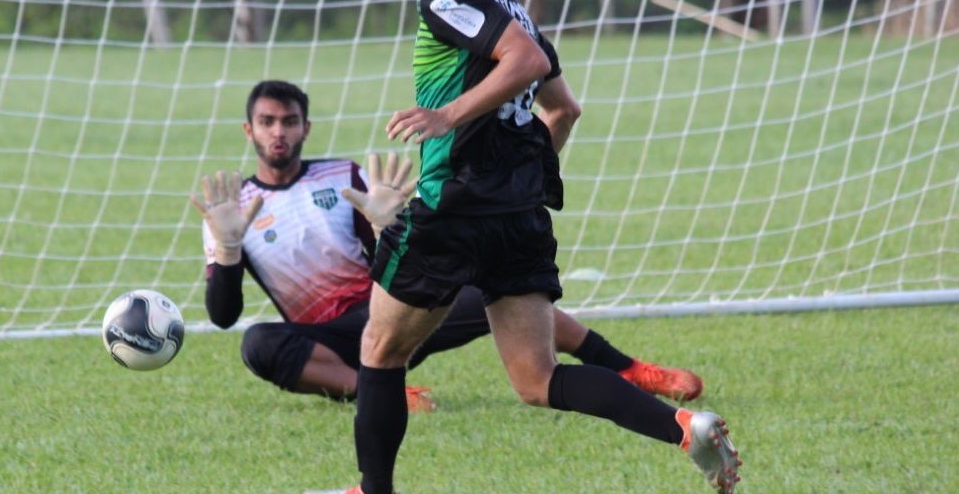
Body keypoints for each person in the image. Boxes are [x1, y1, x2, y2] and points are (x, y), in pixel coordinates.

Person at [302, 0, 741, 494]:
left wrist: (448, 116)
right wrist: (520, 182)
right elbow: (564, 111)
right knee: (538, 380)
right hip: (518, 217)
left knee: (379, 348)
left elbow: (526, 62)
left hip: (452, 212)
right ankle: (684, 429)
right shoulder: (511, 3)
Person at [190, 79, 704, 417]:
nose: (278, 132)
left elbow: (406, 254)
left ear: (306, 127)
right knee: (257, 343)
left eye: (289, 121)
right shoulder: (232, 206)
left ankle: (631, 369)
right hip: (325, 340)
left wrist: (390, 221)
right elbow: (222, 313)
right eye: (267, 122)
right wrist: (228, 247)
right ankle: (378, 391)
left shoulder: (341, 176)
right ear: (249, 129)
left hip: (391, 313)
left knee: (494, 293)